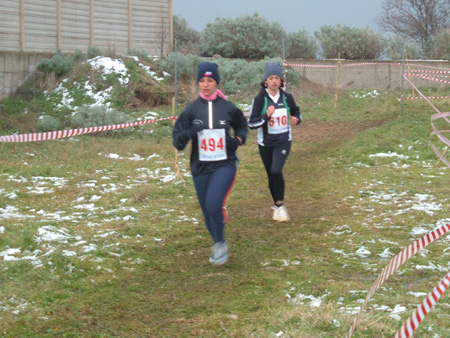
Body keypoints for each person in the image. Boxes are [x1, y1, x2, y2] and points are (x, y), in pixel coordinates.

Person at [172, 61, 248, 266]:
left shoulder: (228, 108)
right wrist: (189, 133)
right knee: (207, 209)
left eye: (210, 80)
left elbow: (243, 127)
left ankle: (220, 244)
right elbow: (177, 141)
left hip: (225, 164)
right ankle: (218, 243)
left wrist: (238, 141)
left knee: (214, 203)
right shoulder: (192, 110)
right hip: (200, 167)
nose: (205, 85)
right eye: (202, 80)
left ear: (217, 82)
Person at [247, 62, 301, 222]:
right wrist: (266, 116)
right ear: (265, 81)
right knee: (271, 174)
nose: (274, 81)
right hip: (265, 143)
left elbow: (297, 111)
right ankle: (277, 206)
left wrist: (297, 119)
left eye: (277, 78)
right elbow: (251, 123)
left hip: (283, 140)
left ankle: (281, 205)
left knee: (276, 170)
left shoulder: (287, 97)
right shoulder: (259, 100)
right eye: (271, 78)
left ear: (281, 81)